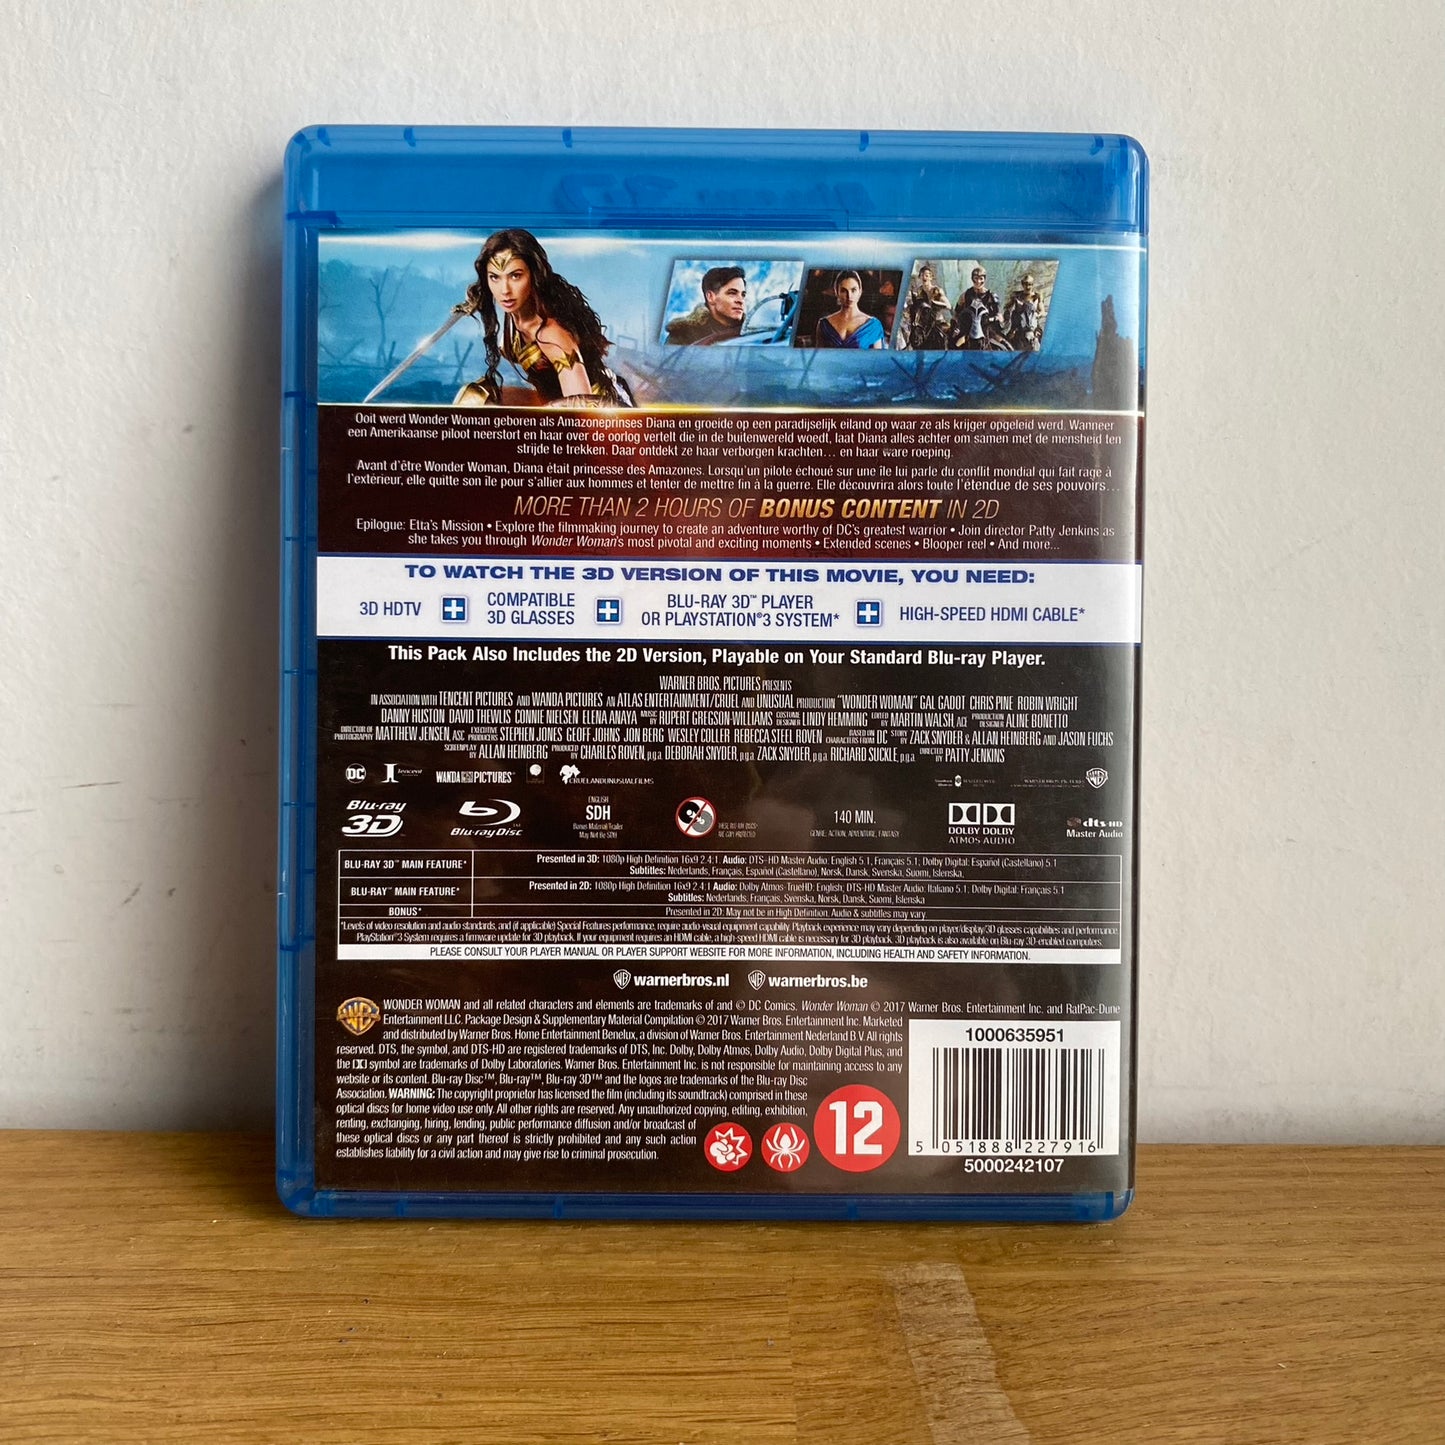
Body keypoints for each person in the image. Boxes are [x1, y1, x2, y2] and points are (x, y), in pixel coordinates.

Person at [453, 229, 629, 406]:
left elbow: (580, 408)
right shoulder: (514, 323)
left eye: (515, 276)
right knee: (475, 398)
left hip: (603, 411)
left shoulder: (551, 334)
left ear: (534, 275)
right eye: (495, 277)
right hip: (554, 404)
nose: (504, 290)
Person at [664, 266, 747, 345]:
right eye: (732, 293)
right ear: (710, 297)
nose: (740, 301)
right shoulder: (682, 335)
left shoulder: (751, 331)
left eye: (743, 295)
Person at [813, 271, 886, 349]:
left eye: (853, 290)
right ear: (836, 292)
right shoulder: (824, 324)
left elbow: (878, 356)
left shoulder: (873, 326)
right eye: (843, 291)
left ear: (860, 291)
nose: (849, 296)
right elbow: (819, 355)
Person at [951, 266, 1006, 351]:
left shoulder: (992, 296)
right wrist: (957, 326)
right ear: (972, 278)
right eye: (976, 278)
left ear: (985, 279)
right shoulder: (965, 295)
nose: (978, 281)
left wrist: (992, 319)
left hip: (986, 329)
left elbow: (999, 316)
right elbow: (957, 312)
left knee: (1005, 347)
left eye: (981, 278)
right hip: (968, 329)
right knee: (952, 347)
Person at [901, 264, 952, 350]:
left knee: (944, 337)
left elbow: (948, 306)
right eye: (922, 275)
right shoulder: (919, 291)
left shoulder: (936, 290)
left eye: (927, 275)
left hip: (937, 321)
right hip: (924, 322)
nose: (924, 277)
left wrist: (934, 303)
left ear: (931, 277)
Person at [1003, 273, 1044, 352]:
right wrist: (1007, 315)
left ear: (1032, 285)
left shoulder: (1037, 296)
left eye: (1030, 284)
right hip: (1018, 326)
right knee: (1009, 341)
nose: (1028, 287)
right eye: (1025, 284)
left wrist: (1039, 315)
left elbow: (1042, 310)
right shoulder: (1016, 296)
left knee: (1042, 340)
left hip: (1033, 325)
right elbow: (1007, 307)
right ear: (1022, 284)